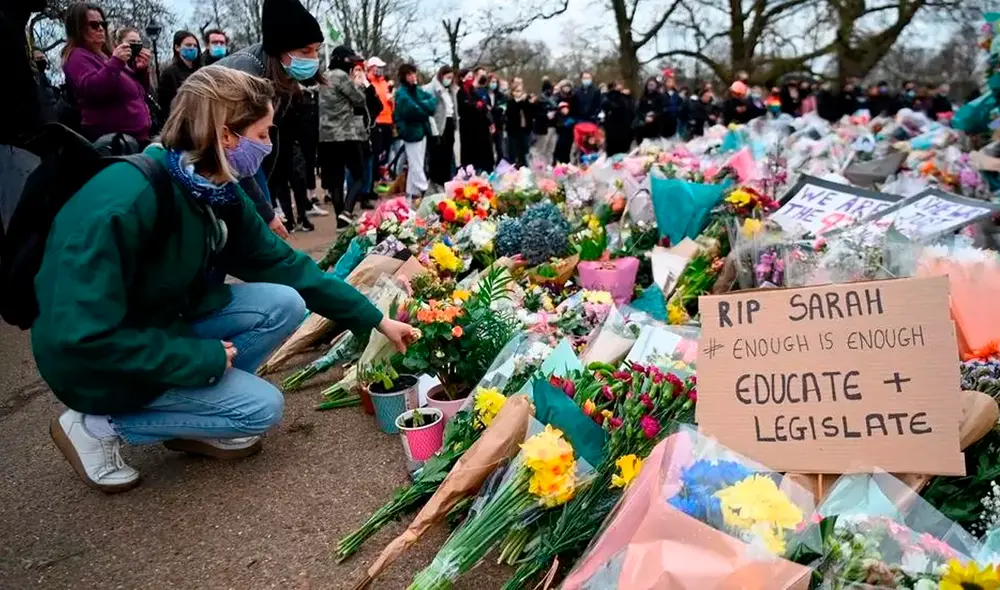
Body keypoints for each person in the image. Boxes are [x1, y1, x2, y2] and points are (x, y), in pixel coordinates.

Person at [36, 65, 417, 493]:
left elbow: (289, 267)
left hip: (158, 323)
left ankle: (195, 415)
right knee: (261, 410)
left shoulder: (213, 189)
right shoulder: (126, 198)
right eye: (262, 134)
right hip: (92, 364)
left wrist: (375, 320)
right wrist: (200, 360)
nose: (269, 146)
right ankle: (98, 426)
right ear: (224, 135)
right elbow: (84, 337)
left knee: (284, 302)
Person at [217, 0, 326, 239]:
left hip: (243, 163)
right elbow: (239, 155)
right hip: (213, 159)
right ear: (281, 50)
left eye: (316, 50)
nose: (314, 58)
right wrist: (266, 212)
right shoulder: (245, 75)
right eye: (305, 51)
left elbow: (264, 145)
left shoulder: (279, 73)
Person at [61, 3, 152, 143]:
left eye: (103, 24)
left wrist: (141, 72)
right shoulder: (77, 57)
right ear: (78, 28)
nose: (101, 29)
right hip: (115, 143)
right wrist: (116, 62)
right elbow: (92, 89)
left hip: (137, 138)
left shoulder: (106, 56)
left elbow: (139, 94)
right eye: (94, 25)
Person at [317, 45, 369, 227]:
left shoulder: (323, 76)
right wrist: (358, 83)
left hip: (326, 137)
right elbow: (360, 100)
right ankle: (347, 210)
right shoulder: (341, 76)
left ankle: (341, 221)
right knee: (359, 175)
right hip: (345, 135)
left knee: (336, 180)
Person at [393, 63, 437, 199]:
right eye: (409, 75)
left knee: (416, 162)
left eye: (414, 74)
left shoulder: (416, 91)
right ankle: (424, 189)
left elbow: (431, 103)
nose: (413, 77)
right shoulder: (402, 93)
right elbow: (411, 110)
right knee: (416, 162)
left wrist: (421, 106)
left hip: (420, 131)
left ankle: (411, 192)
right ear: (404, 77)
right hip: (411, 132)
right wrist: (423, 107)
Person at [425, 66, 458, 187]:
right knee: (438, 154)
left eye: (451, 78)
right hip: (438, 124)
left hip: (449, 122)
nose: (449, 80)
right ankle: (436, 180)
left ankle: (446, 178)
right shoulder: (432, 88)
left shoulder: (450, 90)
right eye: (447, 77)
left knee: (448, 154)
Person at [458, 69, 494, 173]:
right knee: (470, 153)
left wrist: (489, 122)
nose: (471, 79)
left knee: (484, 152)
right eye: (468, 77)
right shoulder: (461, 92)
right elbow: (467, 106)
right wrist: (476, 105)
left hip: (480, 127)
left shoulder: (473, 91)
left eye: (471, 76)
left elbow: (484, 106)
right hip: (469, 128)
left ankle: (485, 170)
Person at [157, 30, 201, 114]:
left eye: (195, 46)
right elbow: (165, 103)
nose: (192, 48)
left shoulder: (200, 70)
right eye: (188, 45)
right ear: (177, 47)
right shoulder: (169, 73)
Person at [367, 57, 394, 178]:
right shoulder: (368, 83)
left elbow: (390, 103)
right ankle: (374, 177)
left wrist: (392, 101)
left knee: (385, 153)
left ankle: (382, 175)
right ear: (371, 68)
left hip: (388, 120)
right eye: (378, 67)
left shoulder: (384, 83)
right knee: (376, 153)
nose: (380, 70)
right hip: (376, 122)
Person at [505, 78, 534, 167]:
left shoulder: (526, 102)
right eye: (516, 91)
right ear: (513, 92)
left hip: (525, 130)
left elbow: (530, 113)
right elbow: (512, 113)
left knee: (524, 151)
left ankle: (525, 166)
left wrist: (527, 102)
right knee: (513, 152)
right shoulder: (510, 102)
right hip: (514, 131)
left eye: (520, 91)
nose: (519, 93)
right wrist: (519, 102)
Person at [601, 81, 633, 156]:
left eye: (620, 85)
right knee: (612, 151)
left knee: (623, 152)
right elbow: (606, 105)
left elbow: (630, 109)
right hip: (612, 129)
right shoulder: (608, 97)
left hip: (624, 129)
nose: (619, 87)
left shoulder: (625, 97)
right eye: (616, 85)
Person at [532, 77, 558, 163]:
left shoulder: (554, 99)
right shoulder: (539, 100)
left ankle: (548, 166)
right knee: (541, 150)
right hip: (543, 128)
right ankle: (538, 167)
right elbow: (535, 114)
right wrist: (546, 115)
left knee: (550, 150)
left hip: (553, 127)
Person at [32, 48, 59, 123]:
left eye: (43, 58)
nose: (42, 60)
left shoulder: (45, 77)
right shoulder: (35, 79)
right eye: (39, 58)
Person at [486, 74, 507, 163]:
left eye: (495, 82)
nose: (493, 84)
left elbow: (501, 109)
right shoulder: (484, 95)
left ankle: (500, 167)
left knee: (500, 149)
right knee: (489, 149)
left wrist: (492, 109)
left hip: (498, 125)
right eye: (491, 82)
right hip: (487, 125)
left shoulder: (501, 96)